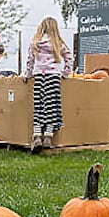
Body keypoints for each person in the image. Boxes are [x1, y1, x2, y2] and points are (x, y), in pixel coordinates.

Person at [22, 17, 74, 154]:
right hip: (53, 77)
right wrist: (65, 73)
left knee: (39, 106)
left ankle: (37, 136)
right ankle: (48, 138)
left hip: (39, 76)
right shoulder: (57, 43)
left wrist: (28, 74)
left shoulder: (35, 42)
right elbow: (69, 57)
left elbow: (30, 61)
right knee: (51, 107)